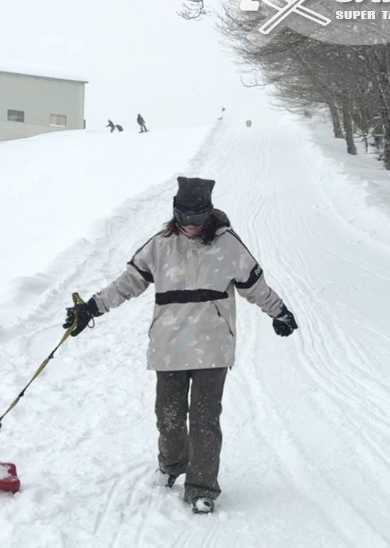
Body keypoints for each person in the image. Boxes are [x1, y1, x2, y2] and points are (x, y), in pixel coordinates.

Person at [62, 177, 297, 514]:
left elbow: (255, 286)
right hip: (168, 347)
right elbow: (128, 283)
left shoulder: (228, 245)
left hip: (212, 347)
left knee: (205, 420)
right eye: (185, 217)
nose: (191, 224)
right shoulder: (160, 245)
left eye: (198, 217)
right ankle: (172, 465)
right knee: (169, 417)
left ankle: (202, 487)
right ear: (175, 212)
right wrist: (91, 308)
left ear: (209, 212)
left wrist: (279, 312)